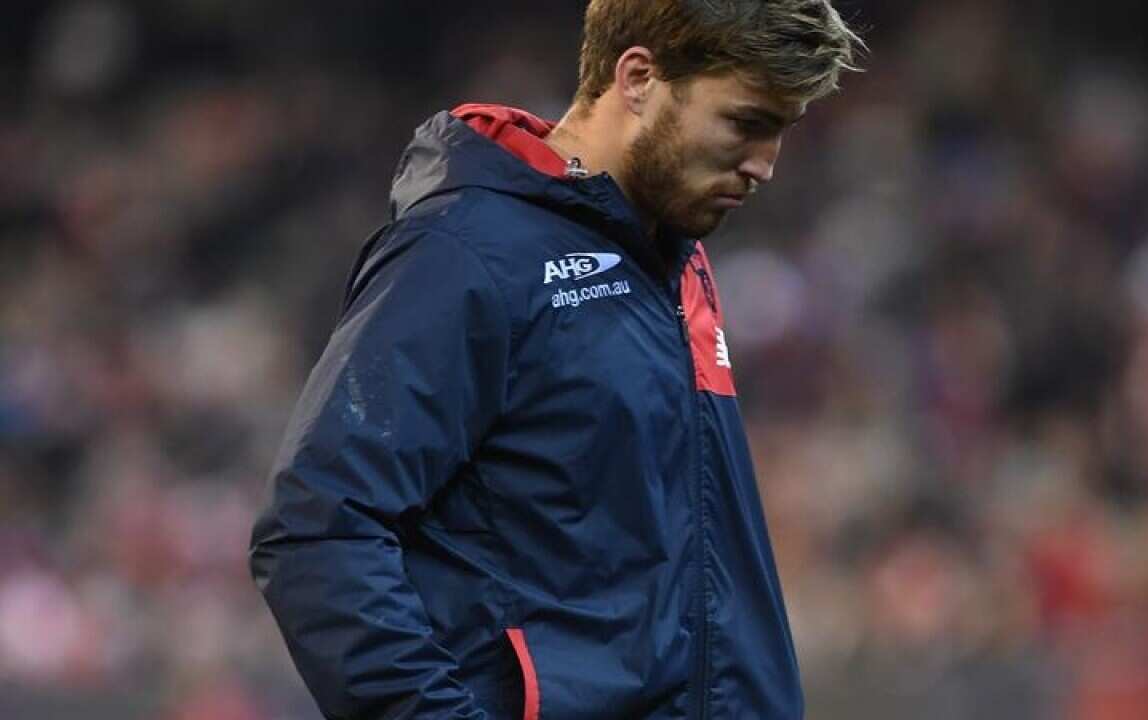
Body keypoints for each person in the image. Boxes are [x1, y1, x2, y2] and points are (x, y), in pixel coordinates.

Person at [248, 1, 864, 718]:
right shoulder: (465, 255)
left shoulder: (670, 259)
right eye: (746, 122)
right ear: (637, 78)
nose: (764, 165)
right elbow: (319, 528)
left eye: (781, 132)